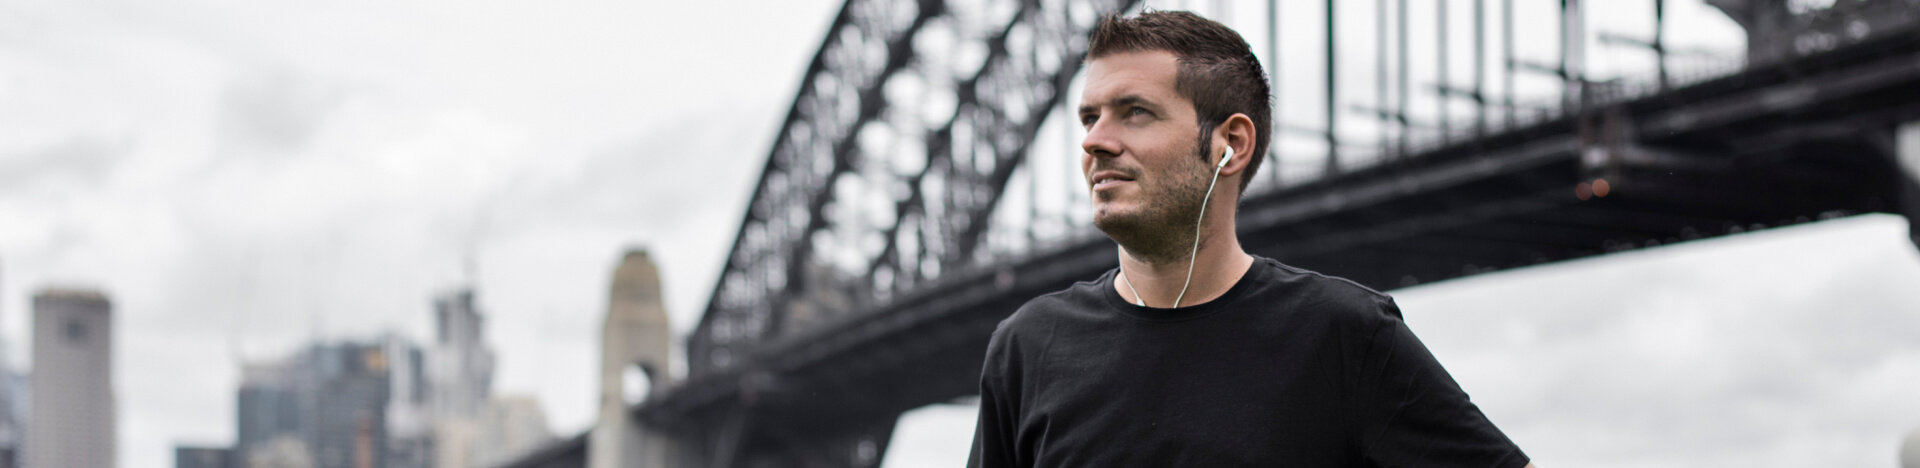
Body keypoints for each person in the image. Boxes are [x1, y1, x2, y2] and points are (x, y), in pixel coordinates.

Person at [967, 11, 1533, 467]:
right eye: (1089, 118)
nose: (1095, 141)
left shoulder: (1341, 334)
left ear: (1231, 145)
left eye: (1134, 112)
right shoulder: (1028, 346)